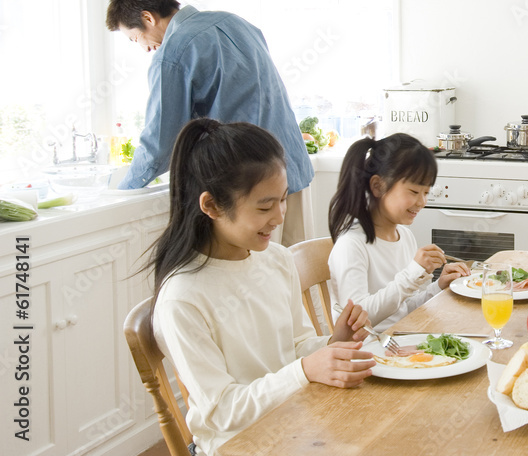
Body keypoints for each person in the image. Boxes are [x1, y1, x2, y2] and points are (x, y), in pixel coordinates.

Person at [149, 118, 375, 456]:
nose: (280, 216)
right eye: (265, 206)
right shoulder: (182, 299)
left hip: (294, 423)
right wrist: (303, 371)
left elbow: (294, 344)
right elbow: (222, 411)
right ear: (211, 206)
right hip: (237, 445)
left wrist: (332, 343)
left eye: (283, 200)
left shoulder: (276, 260)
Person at [105, 0, 314, 245]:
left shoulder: (173, 53)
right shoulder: (236, 22)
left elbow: (160, 142)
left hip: (248, 186)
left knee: (252, 279)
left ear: (148, 18)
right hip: (292, 168)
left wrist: (125, 189)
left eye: (135, 38)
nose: (144, 47)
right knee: (297, 272)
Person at [328, 133, 470, 330]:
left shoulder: (404, 236)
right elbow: (357, 321)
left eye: (426, 193)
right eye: (414, 192)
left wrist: (439, 286)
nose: (421, 202)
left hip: (400, 340)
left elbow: (402, 310)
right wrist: (412, 274)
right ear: (378, 186)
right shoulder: (351, 245)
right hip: (367, 351)